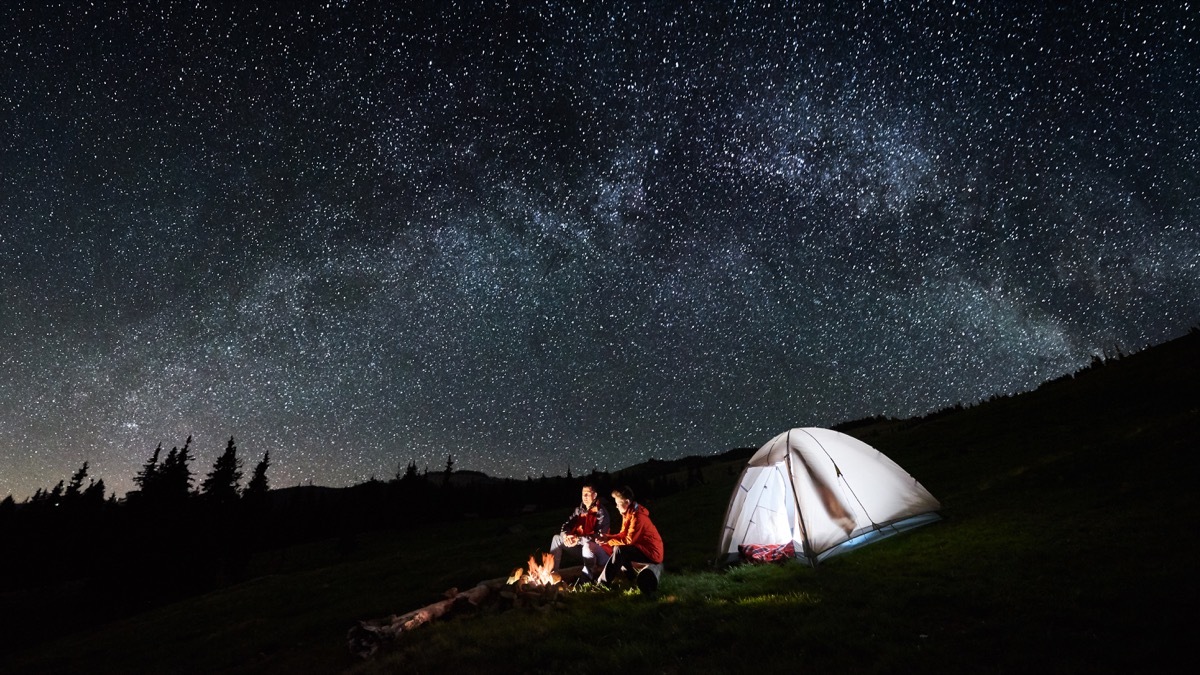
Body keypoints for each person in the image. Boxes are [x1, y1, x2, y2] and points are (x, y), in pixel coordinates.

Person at [598, 486, 664, 592]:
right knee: (618, 549)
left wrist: (608, 541)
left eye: (618, 503)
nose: (616, 506)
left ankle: (602, 584)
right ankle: (631, 579)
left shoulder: (638, 516)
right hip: (644, 549)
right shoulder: (629, 513)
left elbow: (629, 540)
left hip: (652, 553)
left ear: (627, 502)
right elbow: (623, 534)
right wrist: (608, 537)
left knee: (621, 550)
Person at [549, 483, 611, 580]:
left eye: (588, 493)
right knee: (557, 539)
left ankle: (587, 578)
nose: (585, 496)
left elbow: (598, 537)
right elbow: (567, 525)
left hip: (601, 552)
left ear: (594, 495)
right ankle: (552, 574)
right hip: (583, 551)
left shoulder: (601, 513)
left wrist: (577, 540)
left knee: (588, 545)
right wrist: (566, 536)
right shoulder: (579, 511)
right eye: (583, 494)